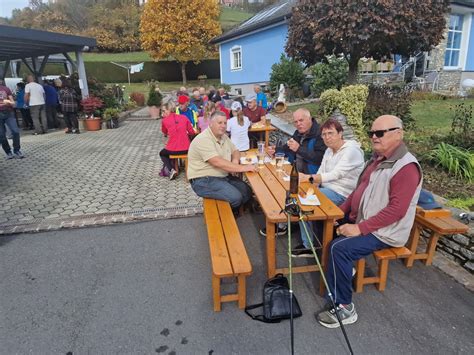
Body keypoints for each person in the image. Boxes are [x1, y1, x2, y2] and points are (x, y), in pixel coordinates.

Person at [315, 115, 422, 329]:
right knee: (322, 220)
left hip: (386, 231)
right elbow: (358, 191)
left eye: (380, 133)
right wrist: (339, 212)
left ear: (398, 134)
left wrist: (359, 228)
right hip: (365, 218)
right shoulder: (376, 159)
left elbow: (396, 211)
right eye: (372, 133)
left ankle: (345, 307)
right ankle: (344, 272)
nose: (374, 137)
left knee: (338, 248)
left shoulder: (406, 167)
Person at [291, 118, 365, 257]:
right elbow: (321, 171)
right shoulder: (330, 150)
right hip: (327, 189)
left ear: (340, 133)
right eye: (324, 135)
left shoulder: (351, 151)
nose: (327, 137)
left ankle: (309, 246)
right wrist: (311, 187)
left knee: (302, 202)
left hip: (343, 194)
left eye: (330, 133)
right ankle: (304, 235)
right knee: (298, 194)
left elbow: (336, 174)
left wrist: (309, 178)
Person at [262, 108, 326, 237]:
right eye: (296, 121)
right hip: (295, 171)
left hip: (311, 176)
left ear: (310, 118)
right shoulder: (298, 132)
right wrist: (275, 150)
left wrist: (299, 149)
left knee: (285, 189)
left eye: (301, 120)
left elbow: (319, 158)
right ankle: (285, 222)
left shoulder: (320, 135)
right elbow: (287, 147)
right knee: (275, 183)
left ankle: (290, 228)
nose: (298, 124)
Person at [187, 111, 257, 211]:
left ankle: (236, 212)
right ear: (211, 123)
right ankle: (225, 219)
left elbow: (235, 150)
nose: (223, 126)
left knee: (247, 191)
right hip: (203, 180)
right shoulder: (203, 139)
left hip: (222, 176)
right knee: (236, 197)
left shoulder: (223, 137)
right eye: (219, 123)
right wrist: (243, 168)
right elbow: (216, 161)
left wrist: (235, 161)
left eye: (225, 123)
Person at [159, 100, 195, 180]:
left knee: (162, 153)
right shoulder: (184, 118)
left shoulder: (164, 121)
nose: (163, 113)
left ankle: (171, 170)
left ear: (169, 110)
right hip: (186, 149)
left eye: (164, 111)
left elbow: (164, 132)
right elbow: (192, 132)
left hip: (172, 149)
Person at [0, 80, 24, 159]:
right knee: (2, 135)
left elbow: (12, 102)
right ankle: (8, 152)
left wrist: (9, 102)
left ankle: (17, 150)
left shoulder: (6, 89)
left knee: (15, 131)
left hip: (8, 112)